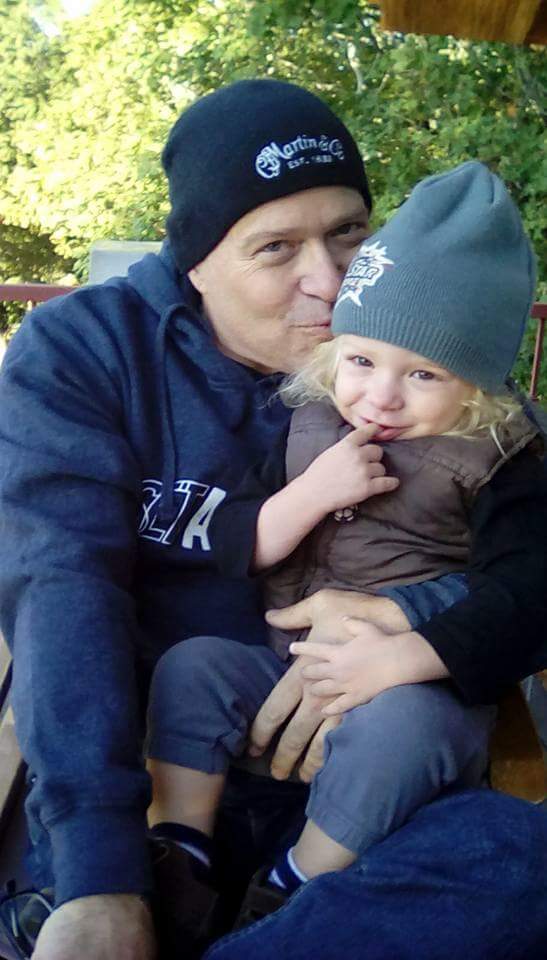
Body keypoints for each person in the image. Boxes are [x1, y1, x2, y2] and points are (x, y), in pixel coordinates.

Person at [0, 79, 545, 960]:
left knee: (520, 860)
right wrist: (99, 872)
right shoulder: (86, 352)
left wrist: (405, 617)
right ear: (196, 258)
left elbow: (525, 554)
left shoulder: (416, 366)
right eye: (275, 247)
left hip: (381, 768)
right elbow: (60, 584)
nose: (328, 283)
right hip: (158, 764)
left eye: (349, 234)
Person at [144, 161, 540, 928]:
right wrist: (306, 495)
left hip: (416, 686)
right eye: (360, 360)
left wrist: (399, 658)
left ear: (479, 385)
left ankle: (296, 881)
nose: (379, 396)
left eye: (423, 374)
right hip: (282, 662)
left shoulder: (500, 463)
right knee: (191, 668)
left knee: (408, 731)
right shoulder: (310, 423)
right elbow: (233, 534)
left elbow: (526, 595)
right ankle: (180, 847)